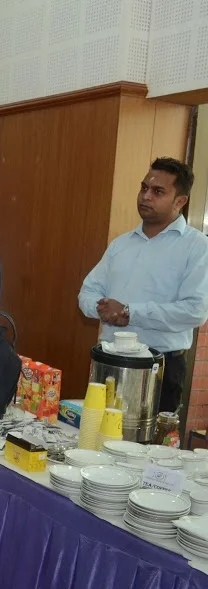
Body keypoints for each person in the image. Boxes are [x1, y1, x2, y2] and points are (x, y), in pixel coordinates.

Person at [79, 158, 208, 414]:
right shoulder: (121, 244)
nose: (146, 196)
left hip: (159, 369)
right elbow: (87, 292)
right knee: (98, 442)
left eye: (158, 192)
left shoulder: (197, 247)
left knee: (147, 450)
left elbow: (195, 311)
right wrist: (104, 308)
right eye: (144, 188)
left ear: (180, 201)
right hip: (110, 362)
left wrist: (129, 312)